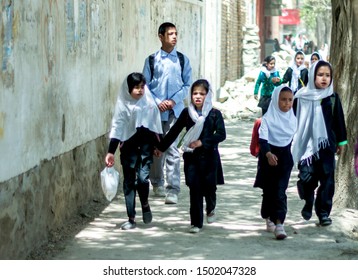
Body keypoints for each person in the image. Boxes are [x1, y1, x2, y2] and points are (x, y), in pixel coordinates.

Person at [154, 79, 226, 233]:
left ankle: (211, 208)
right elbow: (174, 132)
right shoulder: (187, 113)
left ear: (208, 95)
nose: (198, 97)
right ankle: (196, 223)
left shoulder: (214, 114)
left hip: (209, 158)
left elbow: (221, 135)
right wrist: (161, 147)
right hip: (191, 158)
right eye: (195, 93)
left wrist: (202, 142)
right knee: (195, 189)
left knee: (210, 189)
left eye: (202, 93)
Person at [292, 60, 348, 226]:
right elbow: (292, 120)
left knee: (327, 180)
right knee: (307, 178)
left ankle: (323, 212)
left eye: (328, 75)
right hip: (306, 147)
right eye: (320, 75)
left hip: (326, 146)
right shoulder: (301, 97)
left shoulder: (332, 98)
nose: (324, 78)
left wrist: (341, 142)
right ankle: (308, 201)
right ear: (312, 76)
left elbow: (339, 121)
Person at [105, 73, 163, 230]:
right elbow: (117, 128)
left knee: (143, 180)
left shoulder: (148, 103)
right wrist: (111, 152)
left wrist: (158, 146)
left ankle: (145, 203)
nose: (140, 91)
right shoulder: (122, 105)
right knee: (129, 183)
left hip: (145, 148)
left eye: (142, 87)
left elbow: (155, 126)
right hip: (128, 149)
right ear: (129, 88)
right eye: (136, 87)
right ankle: (131, 218)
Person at [143, 22, 192, 204]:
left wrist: (172, 101)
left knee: (171, 148)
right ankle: (157, 183)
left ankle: (173, 189)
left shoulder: (182, 60)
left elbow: (188, 85)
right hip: (155, 112)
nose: (174, 37)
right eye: (170, 33)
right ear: (161, 36)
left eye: (176, 33)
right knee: (157, 148)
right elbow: (144, 85)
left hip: (175, 112)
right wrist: (157, 102)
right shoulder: (151, 60)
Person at [256, 85, 297, 240]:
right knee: (269, 190)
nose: (287, 103)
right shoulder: (267, 119)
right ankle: (267, 216)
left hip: (285, 159)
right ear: (275, 100)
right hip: (268, 158)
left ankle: (279, 223)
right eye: (283, 100)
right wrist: (267, 153)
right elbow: (263, 139)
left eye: (290, 100)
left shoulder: (293, 119)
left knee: (280, 191)